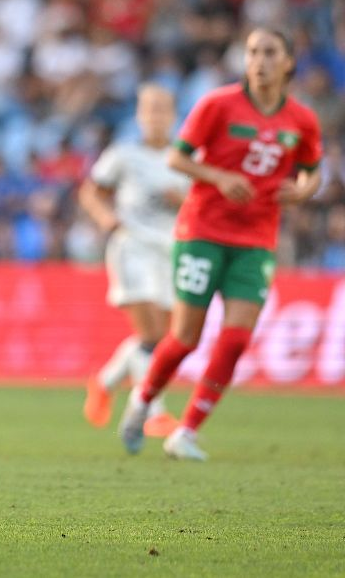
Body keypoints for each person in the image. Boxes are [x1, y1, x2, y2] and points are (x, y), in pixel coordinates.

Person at [118, 27, 323, 460]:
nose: (259, 61)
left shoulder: (301, 120)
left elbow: (312, 169)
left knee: (235, 340)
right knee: (185, 338)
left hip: (256, 240)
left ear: (288, 62)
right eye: (252, 52)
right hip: (203, 233)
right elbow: (177, 156)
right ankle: (142, 400)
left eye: (270, 52)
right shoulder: (218, 104)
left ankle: (187, 432)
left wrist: (303, 190)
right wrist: (219, 177)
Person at [79, 84, 190, 437]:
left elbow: (202, 207)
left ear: (174, 115)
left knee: (161, 339)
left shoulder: (186, 160)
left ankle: (105, 382)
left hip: (171, 252)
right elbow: (91, 192)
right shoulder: (123, 155)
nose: (156, 116)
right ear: (140, 115)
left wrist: (183, 203)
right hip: (133, 247)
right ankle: (153, 412)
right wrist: (105, 218)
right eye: (149, 109)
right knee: (152, 334)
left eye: (162, 109)